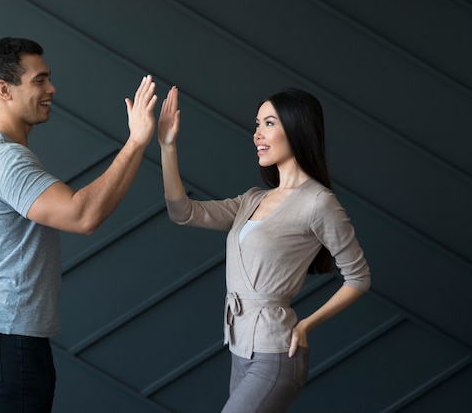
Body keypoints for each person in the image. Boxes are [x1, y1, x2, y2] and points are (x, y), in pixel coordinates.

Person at [0, 37, 157, 412]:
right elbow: (83, 215)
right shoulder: (6, 160)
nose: (52, 89)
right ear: (4, 89)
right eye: (40, 80)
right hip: (7, 339)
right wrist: (137, 141)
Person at [157, 86, 371, 412]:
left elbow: (359, 278)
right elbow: (183, 212)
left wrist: (305, 325)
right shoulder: (253, 198)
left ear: (297, 128)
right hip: (239, 349)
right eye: (257, 124)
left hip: (276, 354)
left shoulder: (318, 202)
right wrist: (168, 146)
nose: (257, 134)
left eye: (269, 123)